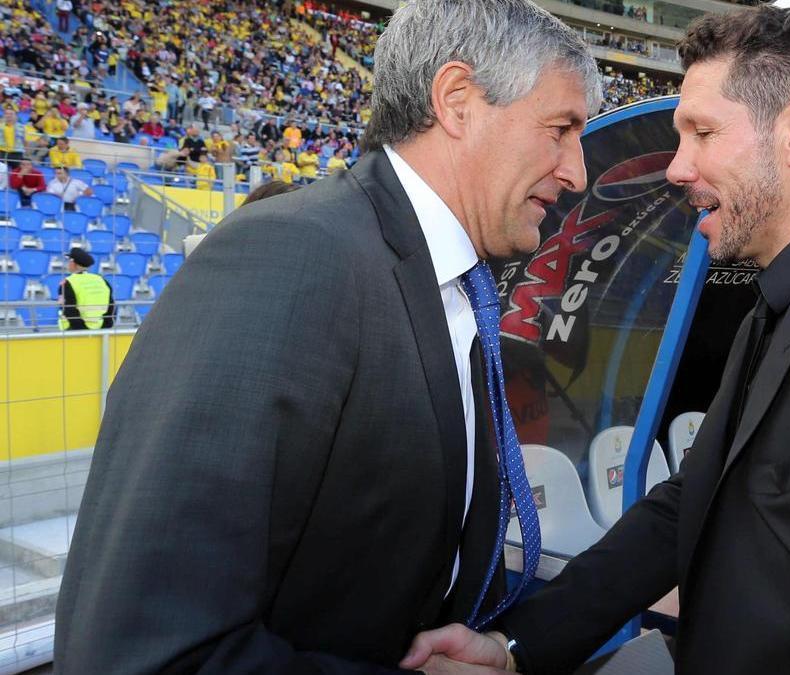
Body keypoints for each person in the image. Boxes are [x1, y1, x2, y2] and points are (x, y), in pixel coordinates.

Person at [404, 6, 790, 674]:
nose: (676, 167)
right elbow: (684, 505)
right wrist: (515, 648)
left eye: (701, 132)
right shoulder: (786, 300)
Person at [53, 0, 599, 672]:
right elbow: (142, 652)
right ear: (458, 101)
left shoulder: (452, 283)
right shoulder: (288, 254)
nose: (577, 171)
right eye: (561, 128)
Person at [58, 247, 114, 330]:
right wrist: (105, 326)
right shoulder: (101, 280)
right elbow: (111, 306)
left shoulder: (67, 283)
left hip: (74, 331)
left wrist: (82, 330)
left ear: (73, 263)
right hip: (100, 329)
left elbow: (69, 310)